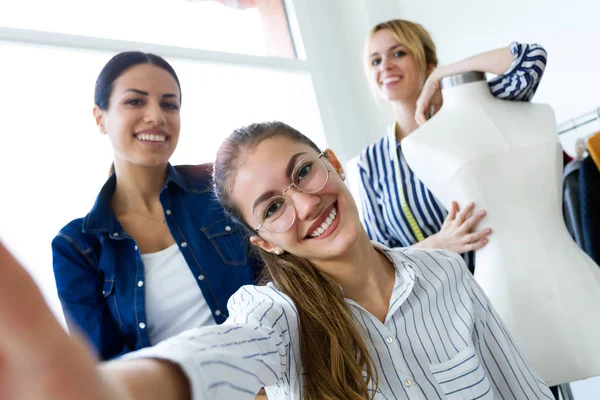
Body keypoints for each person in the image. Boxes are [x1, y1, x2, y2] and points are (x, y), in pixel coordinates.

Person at [1, 121, 554, 399]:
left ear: (333, 163)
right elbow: (217, 355)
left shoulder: (446, 274)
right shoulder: (275, 315)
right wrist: (113, 390)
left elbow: (522, 389)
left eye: (304, 171)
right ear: (263, 241)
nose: (307, 204)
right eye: (273, 207)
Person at [51, 52, 260, 361]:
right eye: (135, 101)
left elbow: (279, 281)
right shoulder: (78, 246)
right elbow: (107, 367)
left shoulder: (219, 187)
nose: (156, 117)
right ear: (100, 117)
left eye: (169, 104)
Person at [357, 19, 547, 272]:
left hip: (519, 274)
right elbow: (377, 261)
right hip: (445, 306)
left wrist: (441, 75)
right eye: (375, 61)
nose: (386, 66)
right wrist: (438, 245)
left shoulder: (471, 112)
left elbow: (530, 58)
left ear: (426, 62)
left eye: (398, 53)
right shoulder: (371, 162)